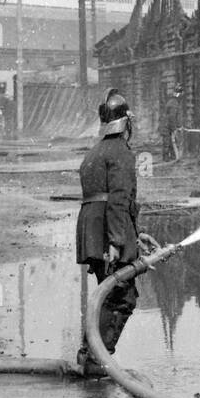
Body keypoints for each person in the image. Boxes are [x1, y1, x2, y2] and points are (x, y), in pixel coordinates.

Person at [75, 89, 141, 377]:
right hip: (107, 231)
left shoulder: (97, 149)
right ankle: (97, 360)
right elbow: (117, 200)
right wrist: (117, 241)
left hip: (93, 228)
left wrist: (137, 234)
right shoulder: (121, 153)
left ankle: (88, 353)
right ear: (125, 122)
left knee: (107, 293)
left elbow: (110, 200)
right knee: (121, 296)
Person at [162, 88, 182, 161]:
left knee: (172, 142)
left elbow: (177, 117)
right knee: (167, 143)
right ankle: (166, 159)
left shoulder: (174, 102)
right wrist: (174, 129)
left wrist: (179, 126)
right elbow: (172, 117)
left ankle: (173, 157)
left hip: (170, 125)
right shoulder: (173, 103)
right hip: (167, 126)